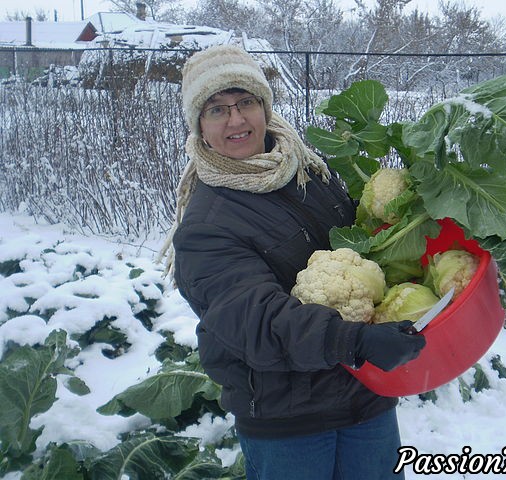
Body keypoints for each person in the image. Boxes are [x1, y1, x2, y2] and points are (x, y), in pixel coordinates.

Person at [159, 44, 426, 480]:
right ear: (199, 126)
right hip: (288, 419)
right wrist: (354, 342)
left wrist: (416, 225)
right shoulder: (206, 225)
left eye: (246, 102)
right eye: (216, 109)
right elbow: (257, 321)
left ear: (264, 106)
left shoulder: (307, 169)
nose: (236, 120)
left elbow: (357, 240)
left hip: (364, 396)